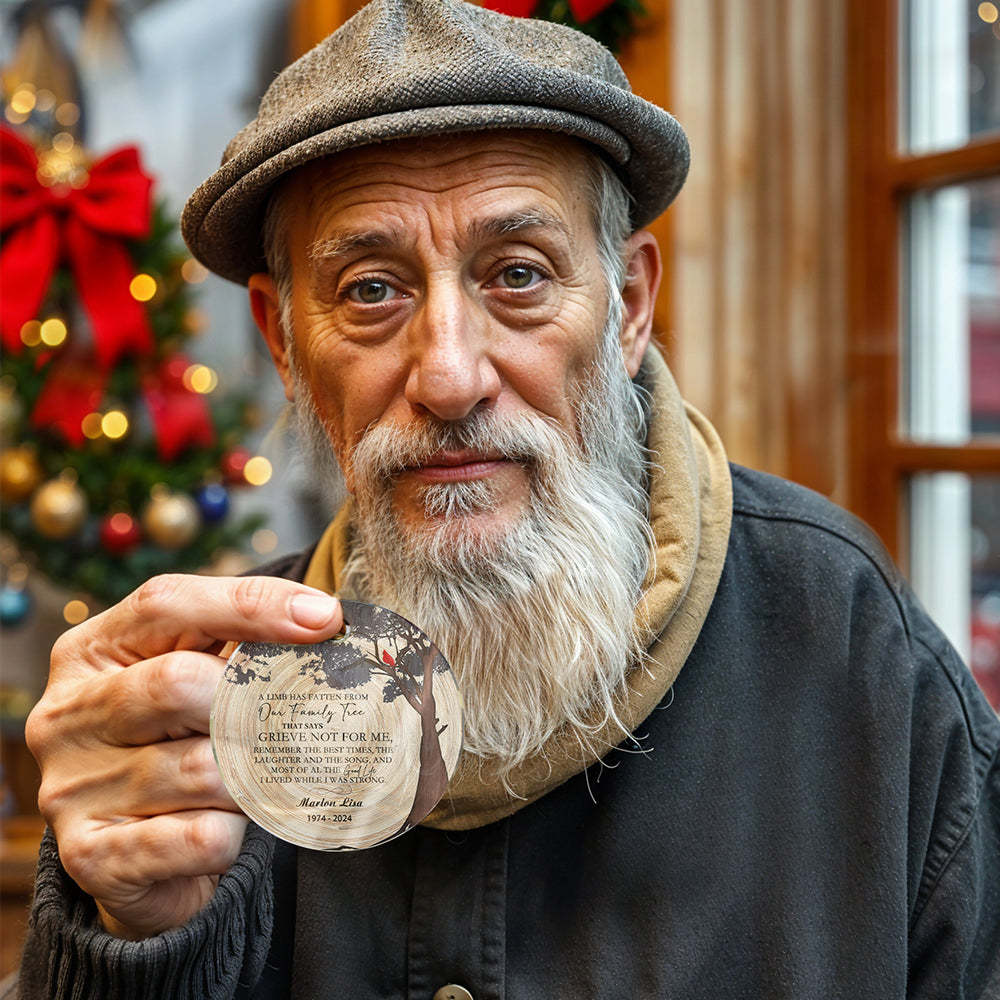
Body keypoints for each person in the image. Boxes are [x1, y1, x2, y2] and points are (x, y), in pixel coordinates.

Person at [12, 0, 1000, 997]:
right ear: (284, 344)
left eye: (518, 274)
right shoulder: (200, 728)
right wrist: (123, 942)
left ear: (626, 306)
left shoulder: (853, 656)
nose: (447, 376)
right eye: (368, 290)